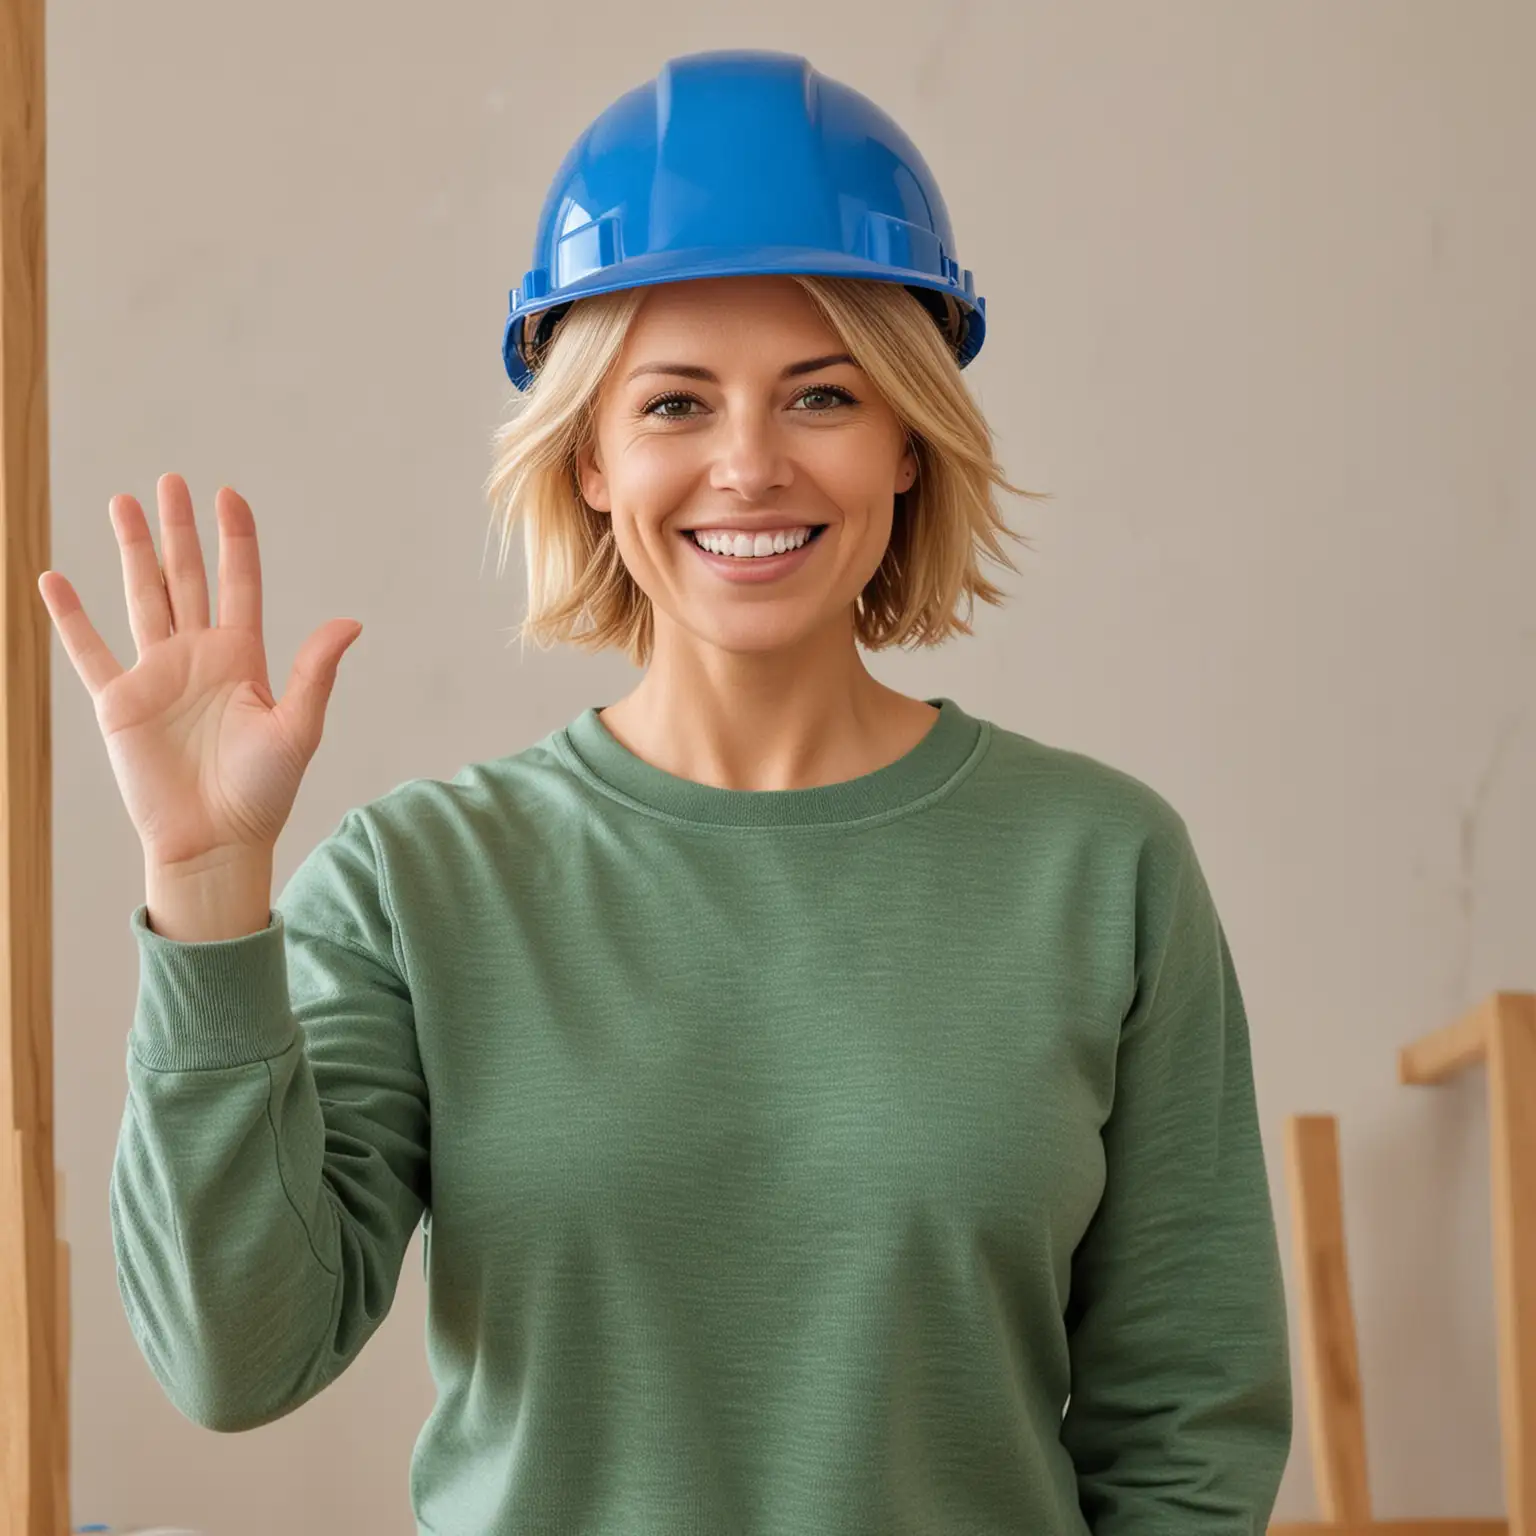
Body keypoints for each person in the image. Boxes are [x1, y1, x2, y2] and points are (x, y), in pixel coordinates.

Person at [38, 48, 1292, 1536]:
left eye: (820, 395)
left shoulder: (1106, 867)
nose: (749, 466)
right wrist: (204, 888)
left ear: (906, 439)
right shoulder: (417, 882)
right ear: (588, 459)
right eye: (677, 405)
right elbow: (233, 1358)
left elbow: (1187, 1427)